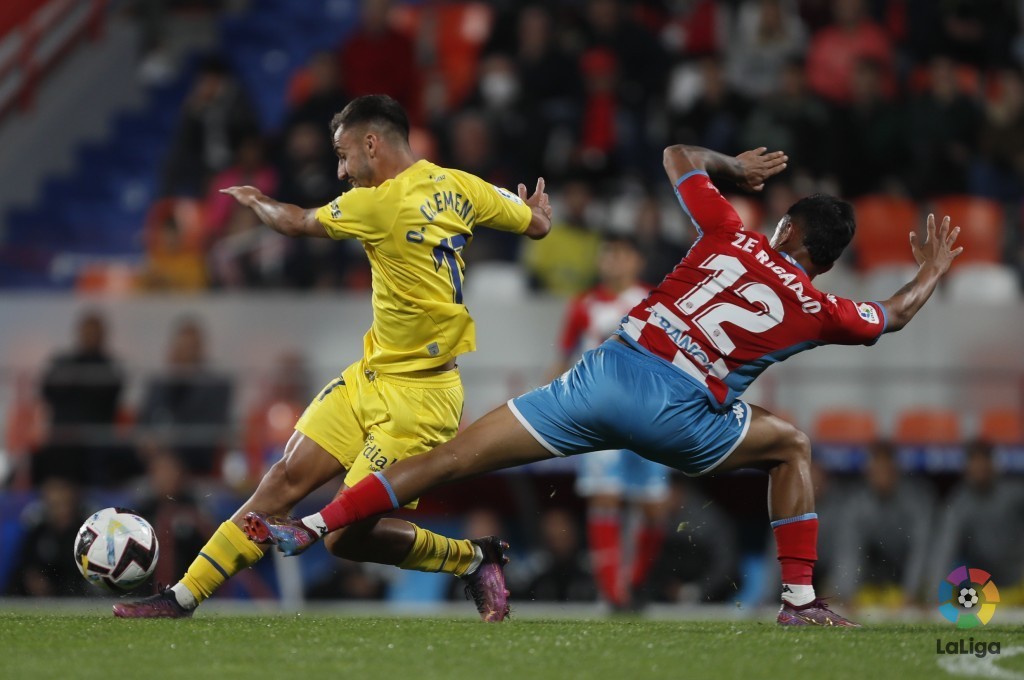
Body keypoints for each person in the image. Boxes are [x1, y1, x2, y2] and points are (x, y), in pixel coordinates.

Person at [248, 142, 963, 628]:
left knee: (453, 458)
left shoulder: (728, 229)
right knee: (792, 446)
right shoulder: (818, 306)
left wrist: (731, 167)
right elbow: (894, 315)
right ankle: (800, 598)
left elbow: (676, 156)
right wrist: (930, 269)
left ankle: (313, 523)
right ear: (826, 263)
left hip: (604, 376)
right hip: (681, 417)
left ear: (780, 224)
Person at [114, 94, 552, 621]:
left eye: (344, 156)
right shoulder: (460, 185)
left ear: (373, 143)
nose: (342, 171)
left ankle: (473, 558)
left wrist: (257, 201)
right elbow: (534, 224)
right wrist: (537, 214)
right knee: (281, 482)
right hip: (372, 376)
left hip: (421, 401)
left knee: (344, 539)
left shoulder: (377, 204)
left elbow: (296, 221)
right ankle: (181, 598)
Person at [555, 234, 669, 610]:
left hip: (651, 413)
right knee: (606, 497)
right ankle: (611, 592)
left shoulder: (655, 301)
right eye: (608, 255)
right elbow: (562, 359)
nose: (613, 261)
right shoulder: (584, 305)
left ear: (636, 261)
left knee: (654, 506)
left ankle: (634, 582)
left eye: (621, 254)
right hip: (601, 417)